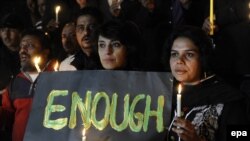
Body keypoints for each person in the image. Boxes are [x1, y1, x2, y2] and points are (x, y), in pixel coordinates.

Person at [163, 26, 249, 141]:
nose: (179, 60)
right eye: (174, 54)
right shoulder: (161, 94)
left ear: (202, 58)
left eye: (189, 54)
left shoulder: (229, 100)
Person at [0, 29, 55, 141]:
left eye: (29, 46)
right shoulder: (15, 83)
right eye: (21, 46)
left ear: (45, 52)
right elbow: (7, 114)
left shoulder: (59, 77)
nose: (22, 51)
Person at [0, 13, 23, 92]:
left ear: (20, 33)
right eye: (3, 30)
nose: (6, 35)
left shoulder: (28, 55)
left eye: (11, 30)